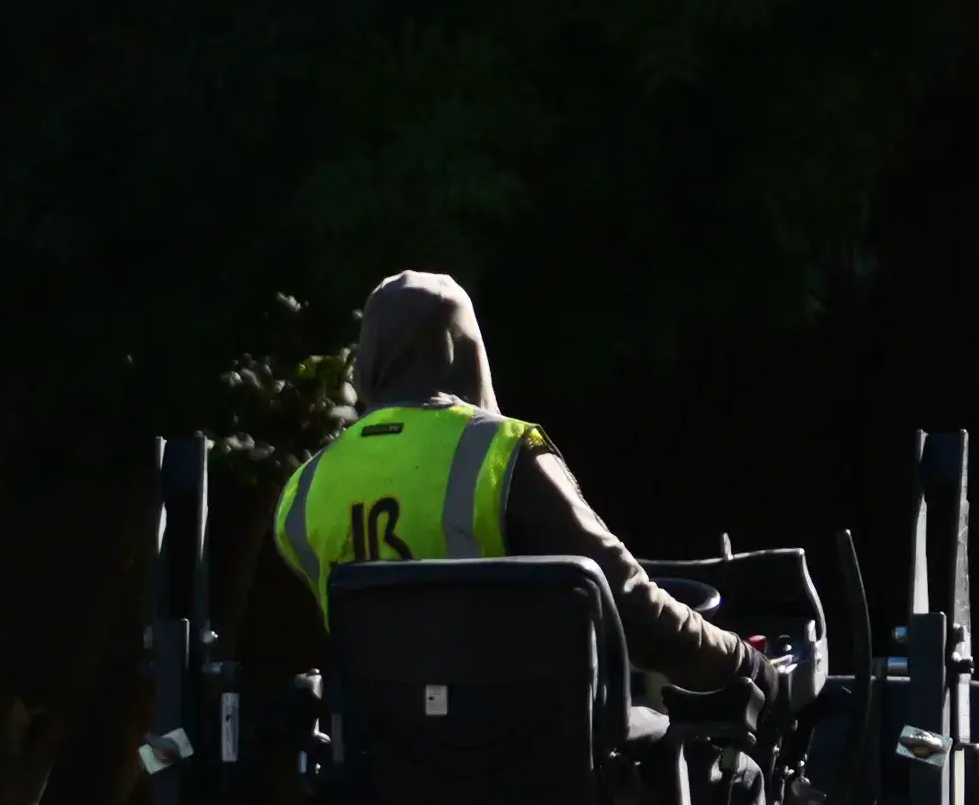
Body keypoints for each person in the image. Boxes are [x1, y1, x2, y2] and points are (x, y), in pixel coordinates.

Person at [273, 271, 787, 707]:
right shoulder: (498, 454)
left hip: (379, 780)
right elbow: (629, 604)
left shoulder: (304, 492)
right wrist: (744, 662)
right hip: (521, 765)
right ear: (468, 353)